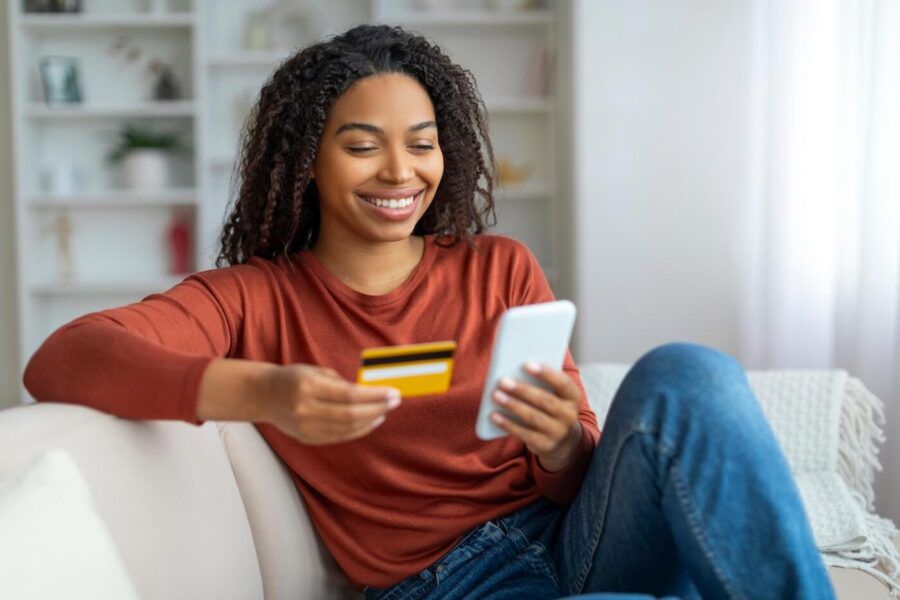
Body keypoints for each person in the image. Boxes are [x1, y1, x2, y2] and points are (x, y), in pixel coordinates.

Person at [22, 24, 835, 600]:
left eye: (421, 141)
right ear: (307, 160)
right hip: (447, 584)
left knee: (687, 373)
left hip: (572, 538)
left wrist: (558, 446)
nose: (400, 170)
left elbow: (576, 478)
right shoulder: (254, 299)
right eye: (362, 143)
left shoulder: (500, 267)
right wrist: (261, 392)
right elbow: (64, 357)